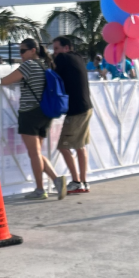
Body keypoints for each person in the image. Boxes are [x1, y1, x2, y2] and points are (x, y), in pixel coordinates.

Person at [0, 38, 59, 200]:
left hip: (29, 112)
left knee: (34, 154)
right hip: (45, 113)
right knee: (37, 153)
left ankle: (40, 189)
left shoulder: (29, 65)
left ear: (33, 50)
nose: (21, 55)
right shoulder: (45, 65)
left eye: (23, 51)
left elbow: (5, 81)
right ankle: (56, 180)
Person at [52, 35, 93, 196]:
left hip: (75, 110)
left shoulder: (63, 58)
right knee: (80, 146)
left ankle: (76, 182)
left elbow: (51, 75)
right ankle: (84, 181)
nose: (55, 53)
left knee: (63, 146)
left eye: (56, 49)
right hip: (86, 107)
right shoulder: (78, 58)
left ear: (66, 48)